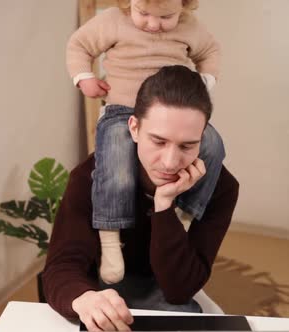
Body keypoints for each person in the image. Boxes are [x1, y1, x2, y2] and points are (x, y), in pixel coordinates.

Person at [42, 66, 239, 331]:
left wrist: (164, 206)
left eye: (187, 146)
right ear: (133, 128)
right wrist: (85, 298)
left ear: (202, 139)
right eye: (158, 141)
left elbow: (180, 289)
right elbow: (61, 267)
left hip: (167, 287)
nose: (170, 163)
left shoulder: (221, 187)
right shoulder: (89, 177)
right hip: (99, 288)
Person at [67, 0, 225, 285]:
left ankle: (184, 218)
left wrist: (206, 80)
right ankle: (111, 239)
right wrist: (84, 77)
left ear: (185, 6)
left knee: (213, 142)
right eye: (143, 13)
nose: (153, 24)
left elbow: (210, 50)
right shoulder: (113, 20)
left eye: (166, 17)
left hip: (172, 113)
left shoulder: (190, 26)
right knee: (116, 150)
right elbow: (79, 45)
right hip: (122, 111)